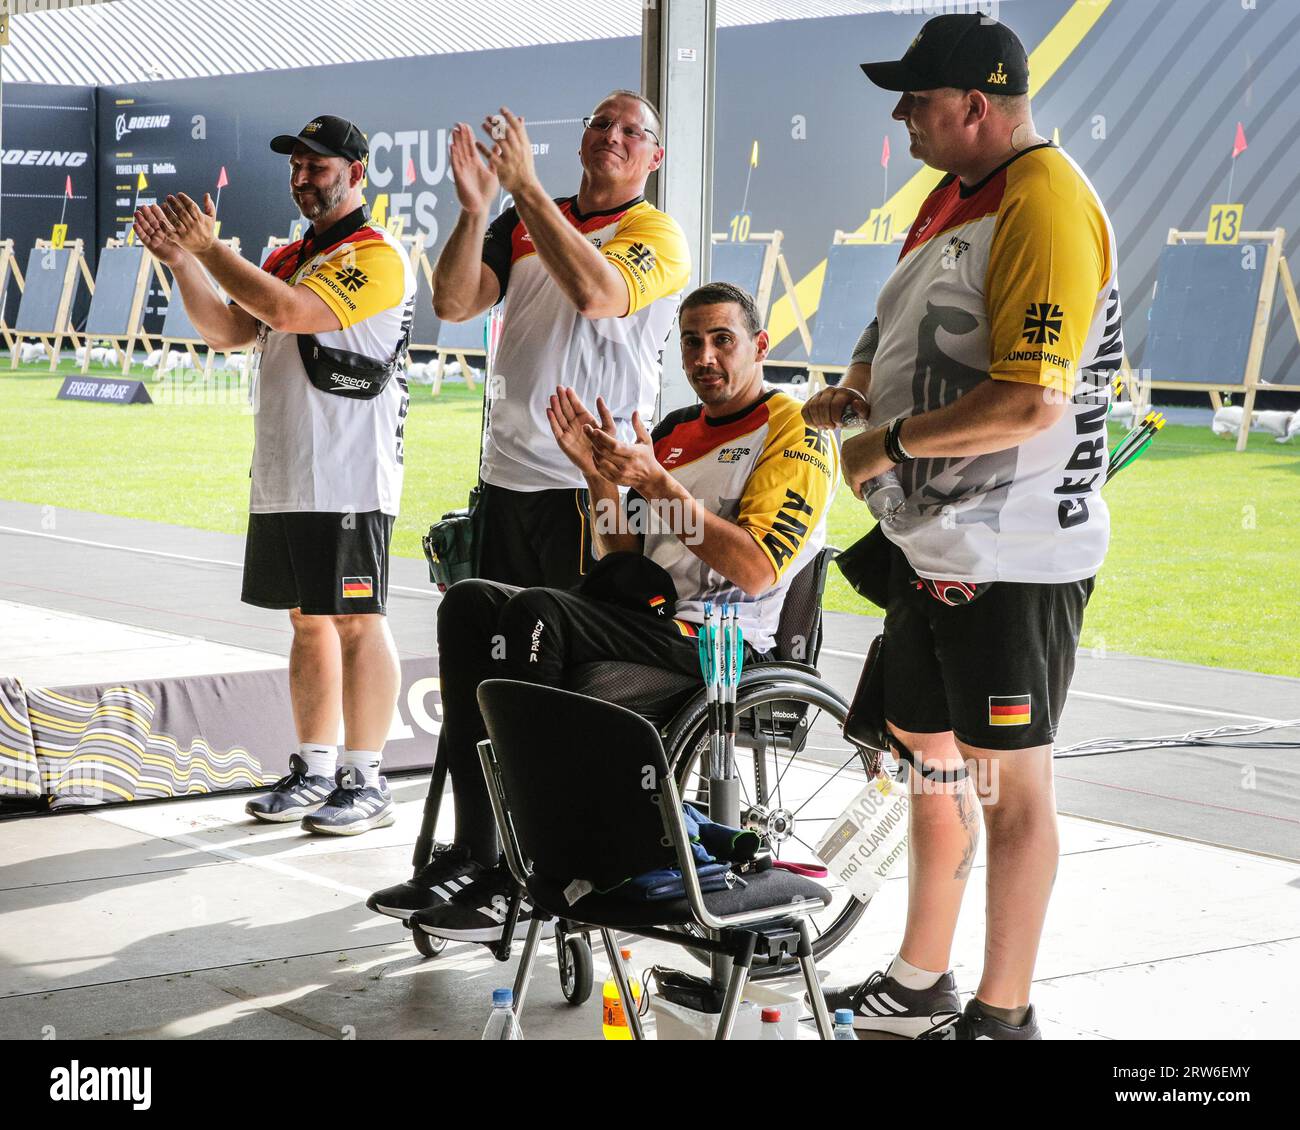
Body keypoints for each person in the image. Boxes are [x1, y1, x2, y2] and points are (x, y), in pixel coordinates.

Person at [803, 14, 1124, 1040]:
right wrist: (856, 390)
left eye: (916, 97)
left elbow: (1031, 400)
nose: (900, 113)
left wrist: (885, 441)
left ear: (974, 104)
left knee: (1007, 784)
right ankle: (918, 980)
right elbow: (895, 318)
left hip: (1014, 553)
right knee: (929, 761)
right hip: (932, 543)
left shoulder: (1045, 202)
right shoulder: (954, 194)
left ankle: (1003, 1009)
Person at [367, 283, 838, 938]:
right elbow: (624, 556)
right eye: (693, 342)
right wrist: (599, 479)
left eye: (722, 340)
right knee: (471, 603)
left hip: (723, 646)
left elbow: (756, 570)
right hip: (652, 623)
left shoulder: (794, 431)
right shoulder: (674, 430)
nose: (705, 356)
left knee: (539, 613)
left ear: (759, 346)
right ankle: (480, 855)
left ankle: (535, 868)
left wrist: (656, 484)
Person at [132, 115, 416, 835]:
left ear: (356, 173)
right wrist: (183, 263)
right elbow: (231, 331)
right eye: (295, 164)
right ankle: (316, 768)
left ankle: (367, 777)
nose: (302, 175)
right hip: (289, 472)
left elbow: (290, 313)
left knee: (357, 620)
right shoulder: (290, 255)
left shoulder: (377, 255)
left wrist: (210, 248)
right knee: (306, 621)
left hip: (350, 474)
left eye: (318, 165)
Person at [432, 89, 691, 589]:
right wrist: (473, 211)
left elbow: (596, 294)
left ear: (656, 157)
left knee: (569, 649)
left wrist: (525, 188)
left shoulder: (658, 232)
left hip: (589, 478)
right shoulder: (523, 219)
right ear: (581, 144)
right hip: (504, 473)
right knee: (496, 640)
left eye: (632, 130)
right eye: (600, 123)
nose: (612, 134)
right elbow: (453, 302)